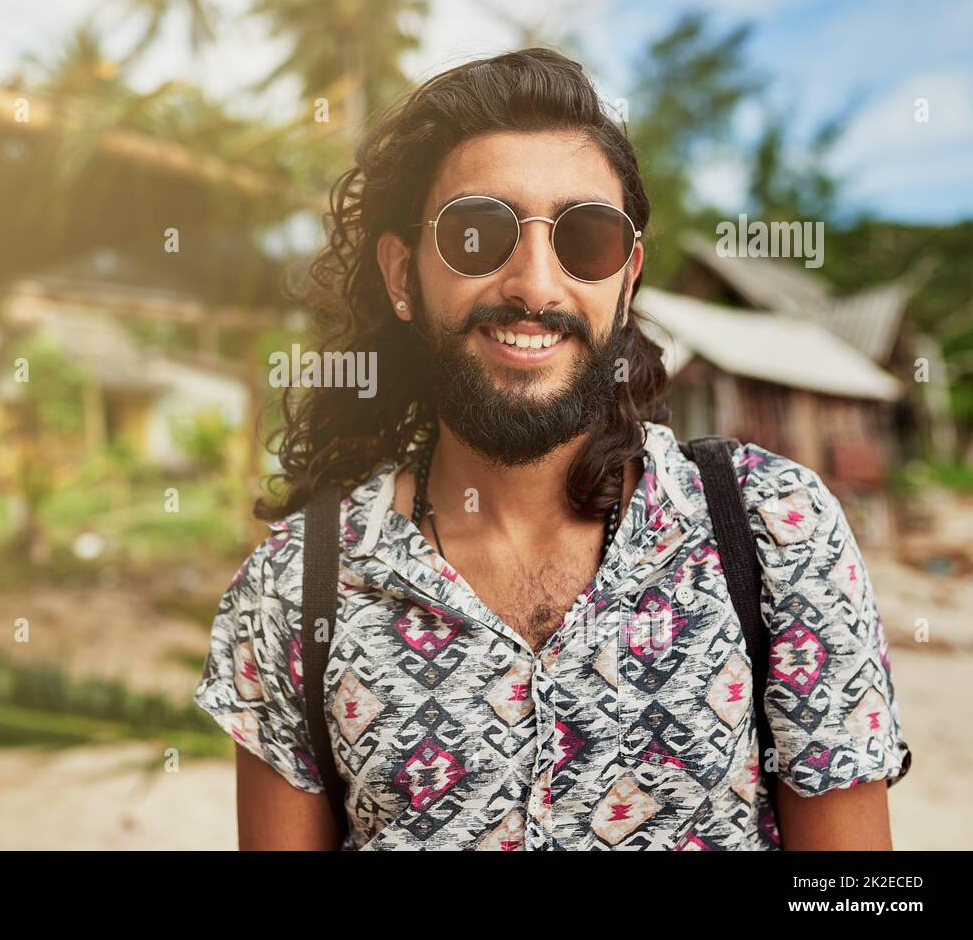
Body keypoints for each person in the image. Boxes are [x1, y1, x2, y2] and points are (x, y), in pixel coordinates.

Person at [193, 48, 911, 850]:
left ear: (627, 279)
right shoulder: (298, 589)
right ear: (403, 275)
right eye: (476, 232)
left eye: (586, 240)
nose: (535, 284)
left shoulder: (776, 533)